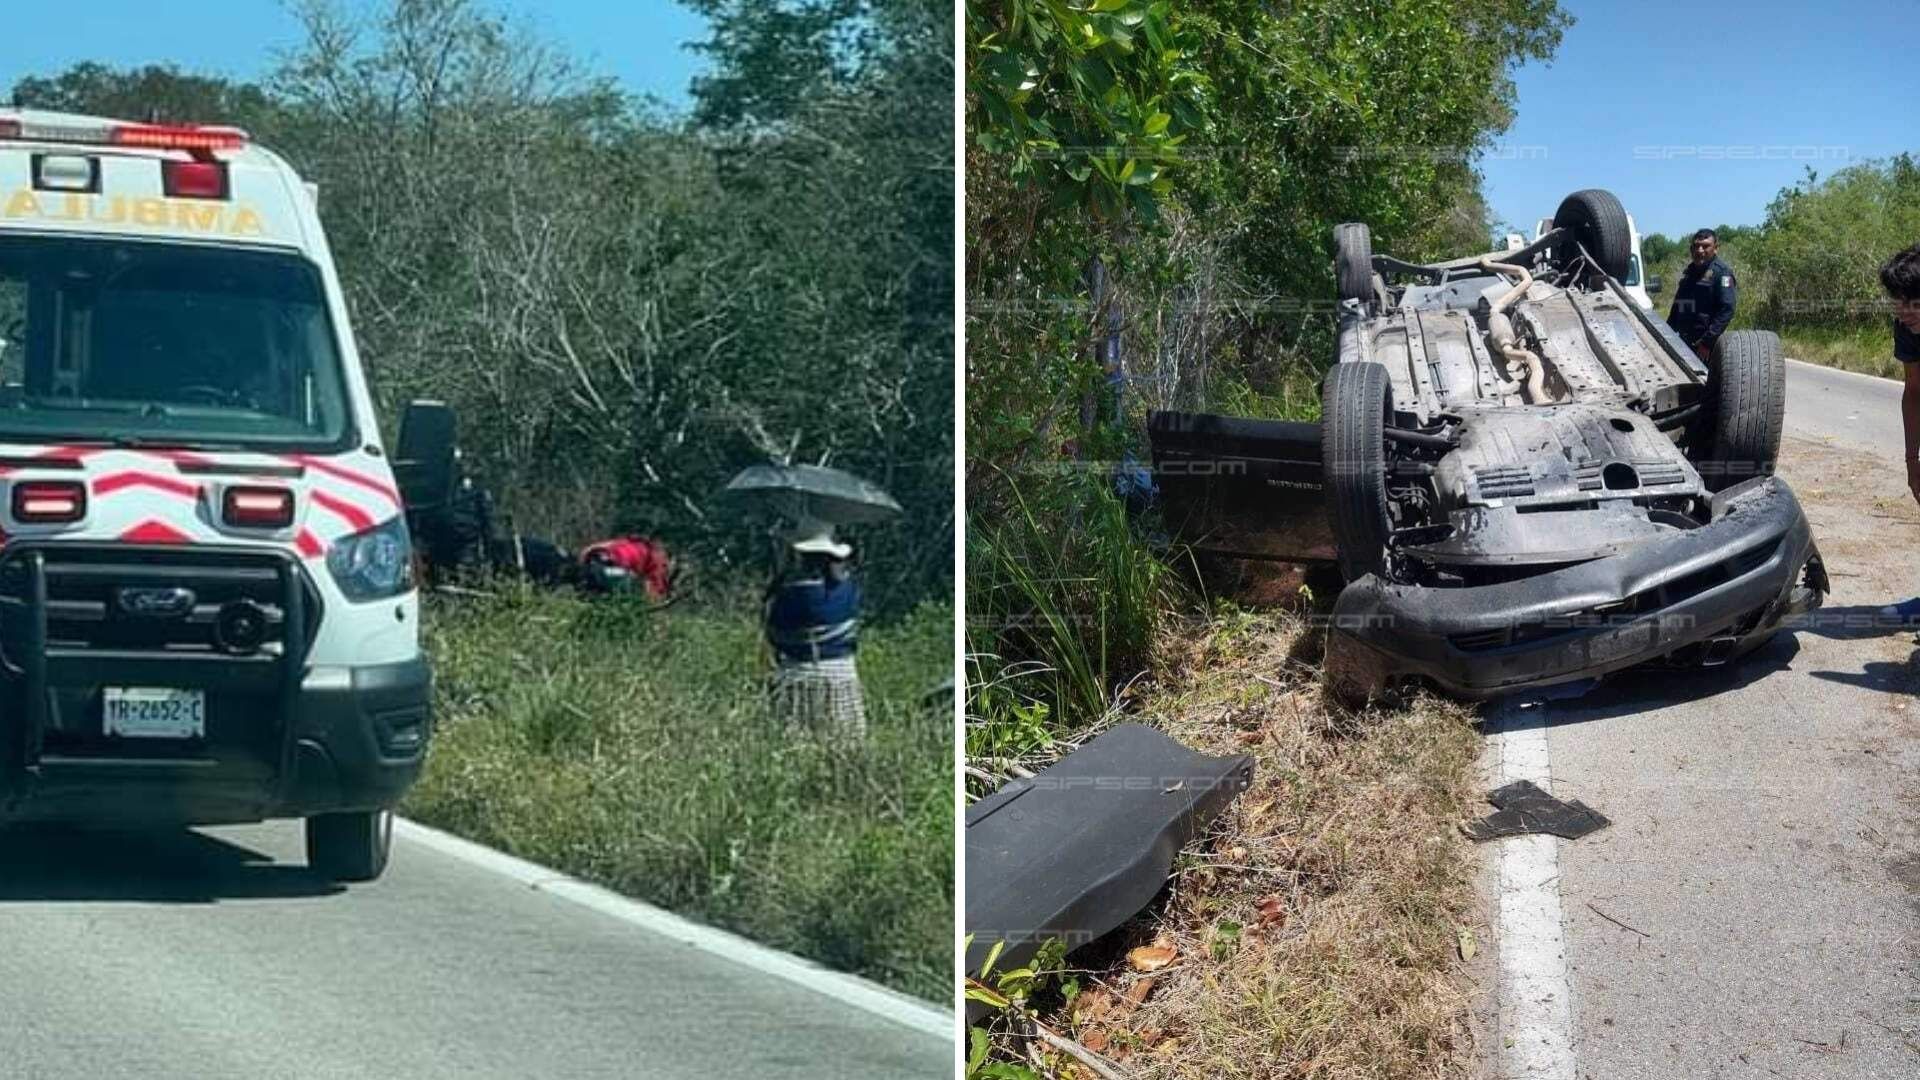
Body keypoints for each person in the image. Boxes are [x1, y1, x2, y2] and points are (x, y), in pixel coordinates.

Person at [764, 525, 865, 744]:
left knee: (798, 743)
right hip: (843, 675)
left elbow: (775, 635)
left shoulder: (793, 593)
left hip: (800, 677)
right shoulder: (848, 588)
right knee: (843, 744)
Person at [1874, 243, 1920, 621]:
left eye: (1912, 302)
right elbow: (1914, 391)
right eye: (1897, 302)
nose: (1903, 312)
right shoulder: (1907, 327)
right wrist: (1912, 461)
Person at [1666, 228, 1738, 361]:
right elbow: (1678, 306)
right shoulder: (1689, 273)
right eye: (1696, 246)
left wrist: (1707, 342)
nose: (1700, 250)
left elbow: (1727, 310)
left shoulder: (1721, 273)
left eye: (1705, 246)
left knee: (1704, 381)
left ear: (1715, 248)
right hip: (1684, 342)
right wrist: (1666, 334)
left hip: (1706, 347)